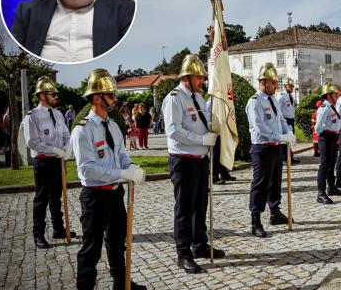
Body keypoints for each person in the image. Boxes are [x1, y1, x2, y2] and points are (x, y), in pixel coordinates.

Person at [70, 69, 146, 290]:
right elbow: (87, 170)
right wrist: (122, 174)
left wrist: (131, 167)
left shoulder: (113, 126)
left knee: (116, 242)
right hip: (95, 196)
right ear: (96, 97)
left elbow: (121, 155)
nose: (115, 98)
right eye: (110, 95)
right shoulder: (82, 131)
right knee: (91, 246)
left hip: (114, 193)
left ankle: (121, 283)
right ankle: (84, 286)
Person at [162, 55, 224, 273]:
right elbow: (173, 131)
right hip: (184, 160)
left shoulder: (198, 98)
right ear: (187, 77)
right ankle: (183, 253)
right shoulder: (174, 98)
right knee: (184, 209)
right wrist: (200, 140)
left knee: (200, 206)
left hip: (200, 160)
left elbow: (202, 122)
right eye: (199, 77)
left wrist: (212, 131)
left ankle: (199, 245)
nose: (202, 81)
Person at [22, 77, 76, 249]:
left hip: (58, 161)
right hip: (43, 161)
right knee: (42, 198)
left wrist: (67, 147)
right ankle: (38, 234)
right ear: (42, 96)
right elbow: (32, 142)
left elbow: (66, 133)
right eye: (53, 94)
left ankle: (58, 229)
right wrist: (53, 150)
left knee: (56, 196)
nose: (56, 97)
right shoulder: (33, 116)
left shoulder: (58, 113)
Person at [245, 62, 296, 237]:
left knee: (275, 181)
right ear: (264, 83)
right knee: (260, 184)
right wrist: (279, 137)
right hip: (262, 148)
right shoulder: (254, 102)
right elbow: (260, 128)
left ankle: (274, 211)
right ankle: (255, 219)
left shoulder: (273, 100)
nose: (276, 86)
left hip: (275, 148)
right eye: (273, 83)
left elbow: (281, 119)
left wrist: (288, 132)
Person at [315, 81, 341, 204]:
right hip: (326, 137)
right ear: (328, 95)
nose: (337, 97)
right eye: (335, 95)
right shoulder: (324, 108)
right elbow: (318, 127)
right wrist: (327, 132)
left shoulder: (331, 107)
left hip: (332, 137)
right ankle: (320, 192)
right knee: (324, 164)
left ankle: (331, 187)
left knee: (332, 163)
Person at [276, 77, 300, 164]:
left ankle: (290, 156)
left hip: (291, 120)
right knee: (284, 139)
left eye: (292, 86)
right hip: (284, 120)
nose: (292, 88)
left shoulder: (291, 96)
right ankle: (284, 157)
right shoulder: (281, 96)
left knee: (289, 138)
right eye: (290, 86)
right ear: (285, 86)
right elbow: (277, 108)